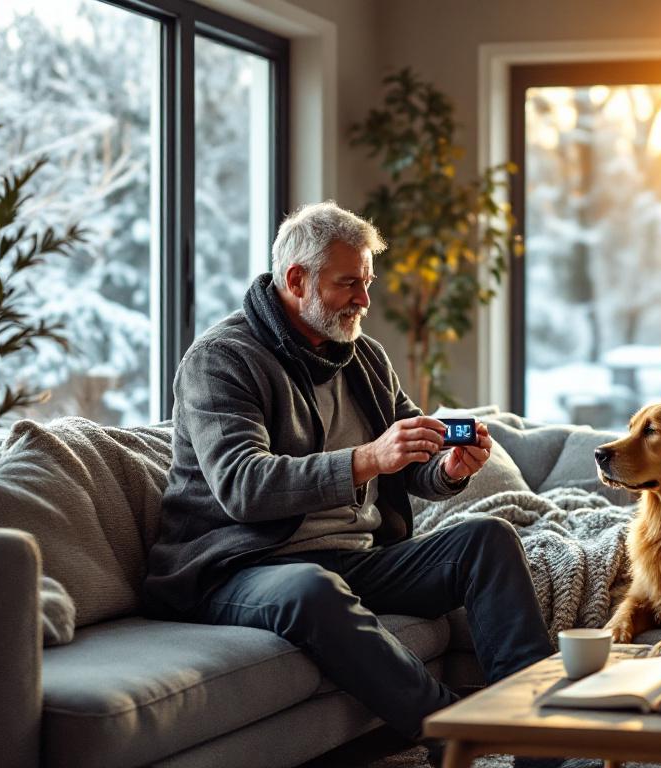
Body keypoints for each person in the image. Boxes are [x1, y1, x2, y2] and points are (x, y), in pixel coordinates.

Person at [142, 201, 561, 764]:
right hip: (235, 568)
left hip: (350, 559)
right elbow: (243, 485)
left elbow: (408, 459)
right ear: (297, 280)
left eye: (367, 282)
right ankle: (454, 732)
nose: (364, 299)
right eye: (349, 284)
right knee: (311, 588)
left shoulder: (363, 356)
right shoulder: (221, 360)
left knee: (487, 538)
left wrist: (447, 470)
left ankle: (539, 737)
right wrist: (365, 459)